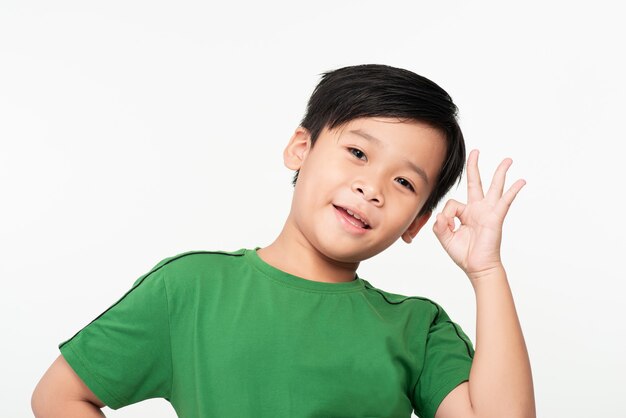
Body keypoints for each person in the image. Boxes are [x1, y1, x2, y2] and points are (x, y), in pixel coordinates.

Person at [32, 64, 535, 418]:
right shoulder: (189, 289)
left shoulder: (417, 328)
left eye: (404, 182)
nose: (372, 188)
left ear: (417, 223)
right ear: (300, 148)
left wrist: (486, 271)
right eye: (358, 152)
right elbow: (58, 396)